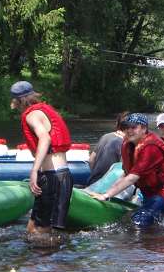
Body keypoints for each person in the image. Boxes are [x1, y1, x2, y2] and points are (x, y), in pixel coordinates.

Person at [89, 113, 164, 228]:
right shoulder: (128, 144)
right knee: (152, 223)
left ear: (144, 129)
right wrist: (106, 193)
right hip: (149, 192)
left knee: (139, 222)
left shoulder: (151, 147)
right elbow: (126, 174)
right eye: (126, 127)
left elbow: (132, 177)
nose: (129, 131)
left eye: (133, 127)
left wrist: (106, 195)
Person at [10, 81, 73, 236]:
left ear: (18, 100)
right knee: (33, 230)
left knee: (42, 234)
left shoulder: (32, 115)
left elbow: (45, 138)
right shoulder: (43, 110)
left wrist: (34, 170)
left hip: (53, 178)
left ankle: (56, 253)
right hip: (58, 176)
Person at [88, 112, 129, 185]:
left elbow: (91, 160)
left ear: (117, 124)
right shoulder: (125, 143)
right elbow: (123, 170)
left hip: (93, 182)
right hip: (109, 185)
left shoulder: (105, 136)